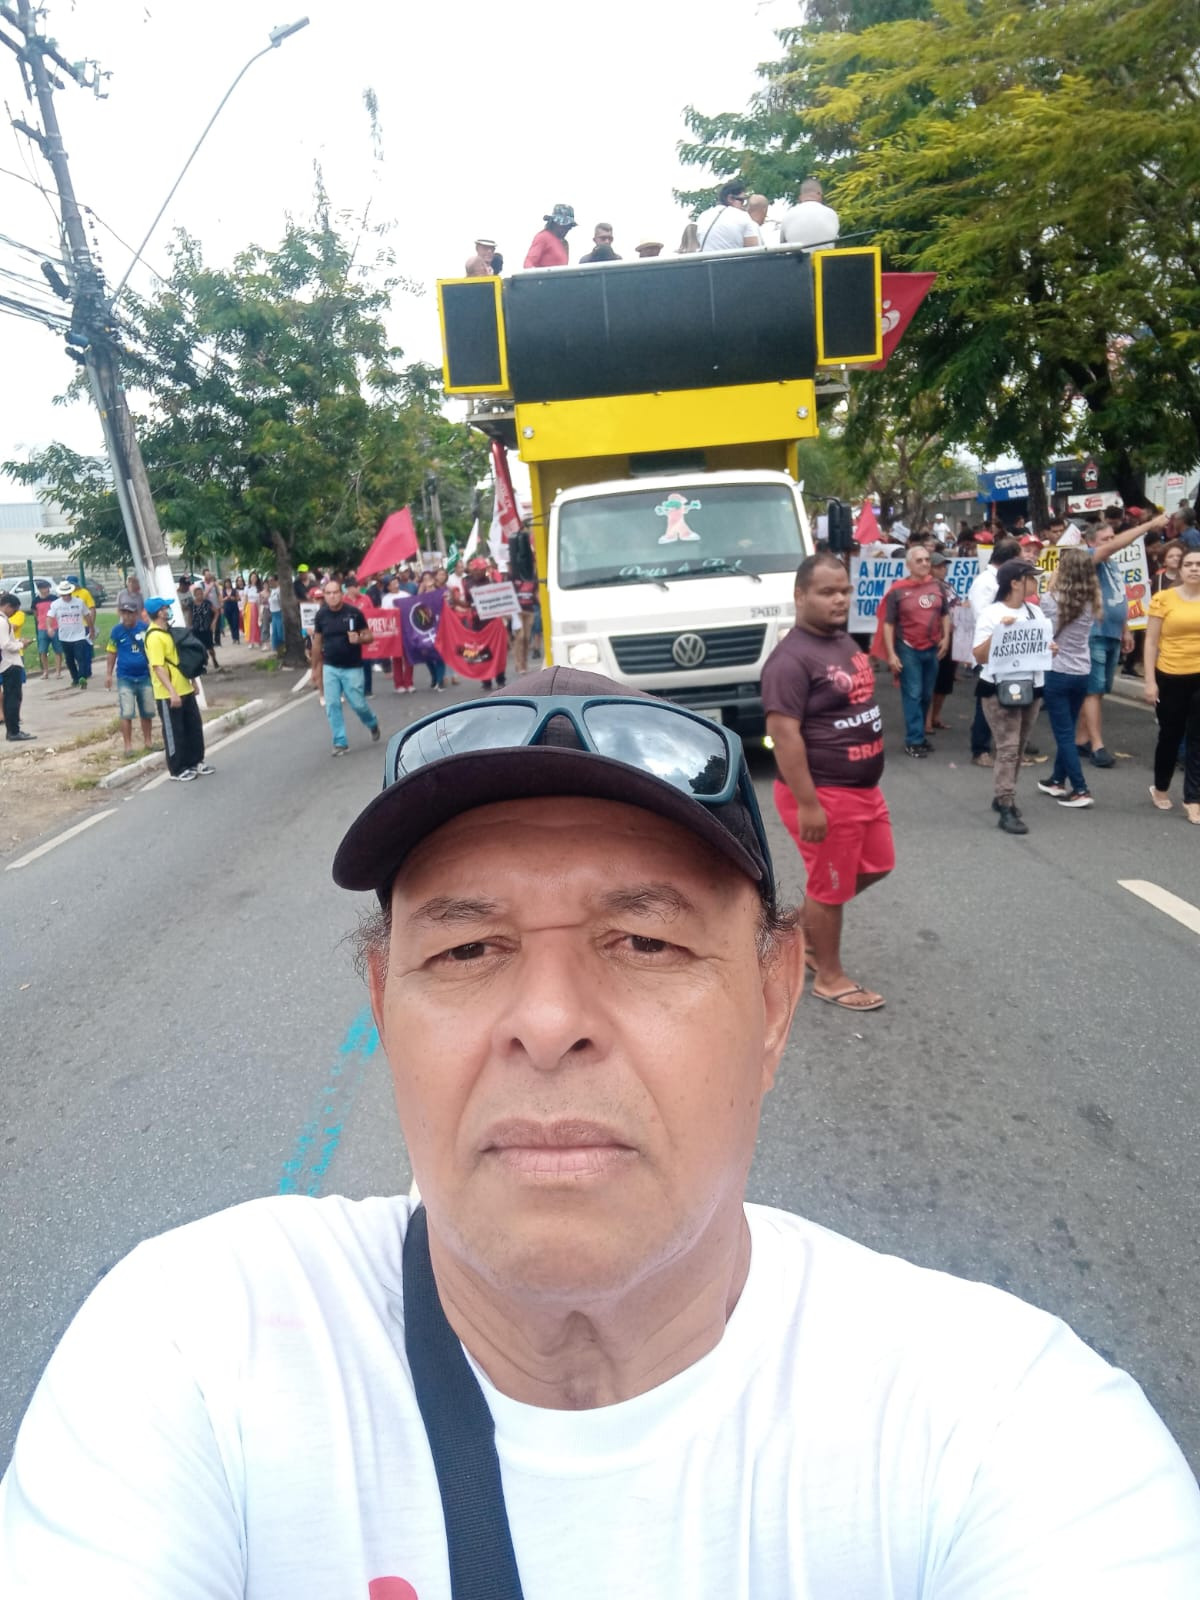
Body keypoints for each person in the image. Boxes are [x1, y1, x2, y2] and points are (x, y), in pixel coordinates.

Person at [7, 663, 1200, 1596]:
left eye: (645, 942)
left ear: (775, 998)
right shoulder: (198, 1353)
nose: (547, 1023)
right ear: (383, 1004)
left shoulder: (997, 1429)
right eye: (467, 949)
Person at [765, 554, 891, 1011]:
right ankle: (829, 977)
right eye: (827, 592)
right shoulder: (790, 660)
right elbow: (783, 734)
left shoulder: (842, 642)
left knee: (876, 866)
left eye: (844, 590)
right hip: (823, 794)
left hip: (862, 790)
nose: (839, 600)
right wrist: (808, 804)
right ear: (800, 596)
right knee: (830, 887)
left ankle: (799, 929)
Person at [1078, 509, 1170, 769]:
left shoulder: (1113, 564)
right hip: (1094, 632)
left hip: (1112, 632)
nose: (1111, 542)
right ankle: (1097, 745)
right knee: (1093, 690)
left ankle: (1081, 738)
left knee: (1099, 690)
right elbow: (1113, 548)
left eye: (1112, 537)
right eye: (1105, 539)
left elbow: (1120, 596)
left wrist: (1126, 630)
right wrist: (1149, 525)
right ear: (1092, 542)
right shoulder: (1089, 557)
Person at [972, 559, 1047, 835]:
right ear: (1015, 582)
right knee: (1008, 747)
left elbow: (1041, 648)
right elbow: (978, 655)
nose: (1036, 582)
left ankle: (1005, 794)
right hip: (999, 687)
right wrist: (1000, 633)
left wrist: (1051, 647)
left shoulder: (1035, 612)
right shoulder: (992, 614)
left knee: (1020, 745)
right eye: (1031, 577)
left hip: (1032, 685)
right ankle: (1005, 802)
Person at [1035, 548, 1103, 810]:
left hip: (1058, 670)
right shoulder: (1092, 599)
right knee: (1070, 726)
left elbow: (1046, 633)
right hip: (1082, 671)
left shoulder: (1051, 599)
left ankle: (1080, 788)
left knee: (1064, 734)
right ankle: (1056, 779)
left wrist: (1052, 582)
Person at [1144, 545, 1200, 823]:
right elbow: (1151, 641)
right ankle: (1161, 787)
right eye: (1189, 564)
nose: (1194, 568)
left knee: (1197, 738)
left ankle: (1193, 798)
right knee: (1171, 735)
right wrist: (1150, 681)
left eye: (1199, 564)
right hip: (1170, 675)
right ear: (1180, 568)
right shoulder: (1164, 598)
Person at [881, 544, 951, 758]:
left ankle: (919, 734)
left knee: (926, 694)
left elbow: (945, 614)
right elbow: (888, 624)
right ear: (909, 565)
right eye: (919, 560)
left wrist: (946, 638)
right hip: (908, 648)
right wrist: (891, 654)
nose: (924, 564)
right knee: (913, 693)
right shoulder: (897, 590)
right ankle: (914, 740)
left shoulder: (938, 587)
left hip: (932, 648)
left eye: (926, 560)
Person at [966, 536, 1022, 765]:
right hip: (989, 650)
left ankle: (1010, 743)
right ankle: (980, 749)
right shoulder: (985, 583)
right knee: (987, 701)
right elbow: (984, 618)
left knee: (1012, 698)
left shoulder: (1003, 580)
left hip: (1009, 651)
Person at [310, 578, 381, 757]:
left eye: (335, 593)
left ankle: (371, 722)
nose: (332, 596)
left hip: (352, 666)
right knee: (332, 704)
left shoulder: (354, 613)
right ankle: (340, 741)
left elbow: (369, 636)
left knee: (358, 704)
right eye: (329, 593)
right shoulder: (321, 616)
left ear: (341, 594)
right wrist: (315, 668)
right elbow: (317, 643)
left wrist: (359, 638)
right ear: (324, 596)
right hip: (330, 666)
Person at [144, 598, 212, 782]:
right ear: (159, 612)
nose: (168, 610)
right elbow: (158, 667)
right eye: (166, 607)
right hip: (168, 693)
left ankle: (196, 761)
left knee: (193, 727)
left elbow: (181, 658)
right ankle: (178, 768)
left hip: (185, 687)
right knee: (175, 731)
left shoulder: (169, 632)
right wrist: (172, 692)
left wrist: (193, 681)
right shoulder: (154, 637)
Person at [104, 601, 156, 756]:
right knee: (127, 712)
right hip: (125, 676)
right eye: (124, 613)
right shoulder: (116, 631)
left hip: (144, 676)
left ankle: (148, 741)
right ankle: (128, 746)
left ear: (136, 614)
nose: (126, 616)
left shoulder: (144, 628)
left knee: (147, 711)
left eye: (130, 613)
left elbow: (151, 649)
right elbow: (111, 652)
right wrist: (108, 674)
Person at [924, 549, 958, 735]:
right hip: (935, 637)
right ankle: (927, 719)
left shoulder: (949, 586)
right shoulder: (927, 587)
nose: (943, 569)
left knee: (945, 680)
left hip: (951, 636)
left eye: (944, 566)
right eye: (938, 566)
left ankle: (936, 716)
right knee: (932, 679)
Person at [47, 578, 93, 690]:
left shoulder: (79, 602)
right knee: (69, 659)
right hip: (64, 636)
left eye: (68, 593)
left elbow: (87, 615)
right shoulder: (55, 604)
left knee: (80, 657)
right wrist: (49, 627)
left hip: (79, 635)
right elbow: (49, 617)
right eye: (64, 594)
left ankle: (82, 677)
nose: (66, 596)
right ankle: (75, 678)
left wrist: (91, 628)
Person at [0, 592, 33, 742]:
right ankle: (13, 731)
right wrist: (21, 644)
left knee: (11, 698)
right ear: (7, 606)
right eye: (13, 610)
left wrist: (18, 640)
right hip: (10, 663)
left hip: (7, 663)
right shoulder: (2, 621)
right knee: (13, 698)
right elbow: (5, 645)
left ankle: (13, 730)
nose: (14, 613)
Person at [695, 179, 761, 252]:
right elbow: (754, 251)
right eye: (742, 200)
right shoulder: (742, 216)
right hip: (732, 262)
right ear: (730, 198)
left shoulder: (703, 216)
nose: (743, 206)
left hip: (707, 262)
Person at [778, 177, 840, 248]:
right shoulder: (832, 214)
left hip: (799, 258)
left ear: (800, 197)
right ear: (819, 194)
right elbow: (836, 240)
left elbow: (782, 246)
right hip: (825, 258)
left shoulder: (788, 215)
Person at [381, 575, 415, 693]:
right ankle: (399, 684)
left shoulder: (405, 595)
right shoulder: (386, 599)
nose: (395, 583)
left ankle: (409, 682)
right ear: (388, 586)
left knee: (409, 658)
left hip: (406, 629)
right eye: (392, 582)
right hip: (394, 631)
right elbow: (384, 614)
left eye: (396, 581)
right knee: (396, 658)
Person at [523, 204, 576, 269]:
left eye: (569, 226)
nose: (567, 229)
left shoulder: (564, 244)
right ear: (554, 223)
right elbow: (528, 263)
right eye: (564, 225)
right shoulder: (543, 237)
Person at [31, 577, 62, 679]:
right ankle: (45, 671)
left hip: (55, 626)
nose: (44, 590)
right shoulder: (36, 600)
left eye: (46, 587)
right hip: (42, 627)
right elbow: (35, 613)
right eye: (42, 588)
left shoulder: (54, 598)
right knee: (42, 650)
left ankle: (58, 671)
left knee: (58, 649)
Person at [190, 583, 220, 672]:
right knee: (199, 647)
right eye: (197, 594)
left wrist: (213, 622)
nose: (199, 596)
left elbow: (216, 612)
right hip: (196, 629)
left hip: (206, 628)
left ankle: (214, 660)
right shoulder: (192, 604)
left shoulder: (207, 603)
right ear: (194, 595)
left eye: (201, 594)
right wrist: (190, 625)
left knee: (210, 646)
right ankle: (202, 664)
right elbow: (190, 616)